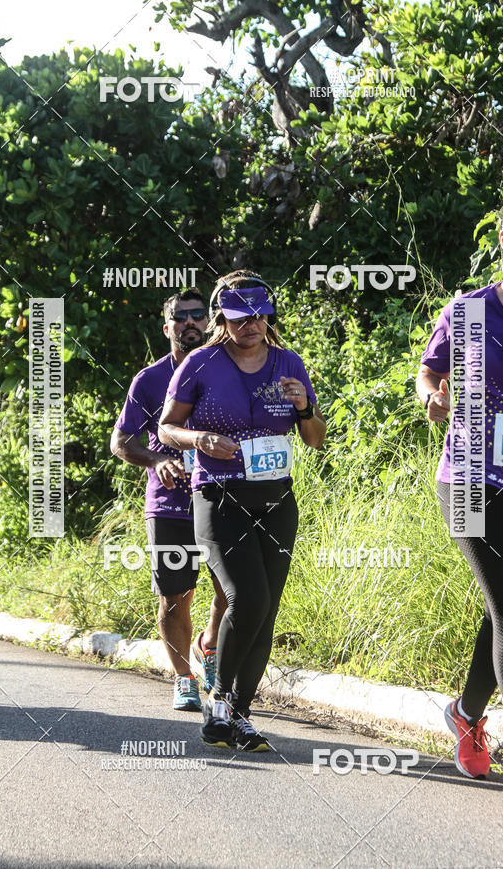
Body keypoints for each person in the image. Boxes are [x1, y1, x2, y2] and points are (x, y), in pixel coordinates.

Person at [417, 193, 503, 808]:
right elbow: (430, 370)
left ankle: (465, 712)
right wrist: (434, 396)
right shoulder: (470, 311)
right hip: (473, 476)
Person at [158, 270, 326, 751]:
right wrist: (200, 439)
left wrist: (305, 409)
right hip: (219, 497)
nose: (251, 325)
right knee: (246, 598)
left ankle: (239, 713)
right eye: (239, 317)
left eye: (258, 315)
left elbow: (316, 441)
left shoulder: (288, 362)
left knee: (266, 610)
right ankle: (218, 699)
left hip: (276, 501)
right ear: (220, 319)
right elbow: (168, 427)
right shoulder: (200, 364)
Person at [111, 288, 227, 711]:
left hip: (222, 499)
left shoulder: (229, 369)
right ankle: (184, 680)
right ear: (168, 328)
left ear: (210, 322)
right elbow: (121, 441)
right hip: (171, 504)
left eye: (198, 315)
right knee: (174, 597)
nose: (191, 323)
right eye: (182, 317)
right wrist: (156, 459)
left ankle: (209, 646)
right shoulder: (150, 379)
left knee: (230, 591)